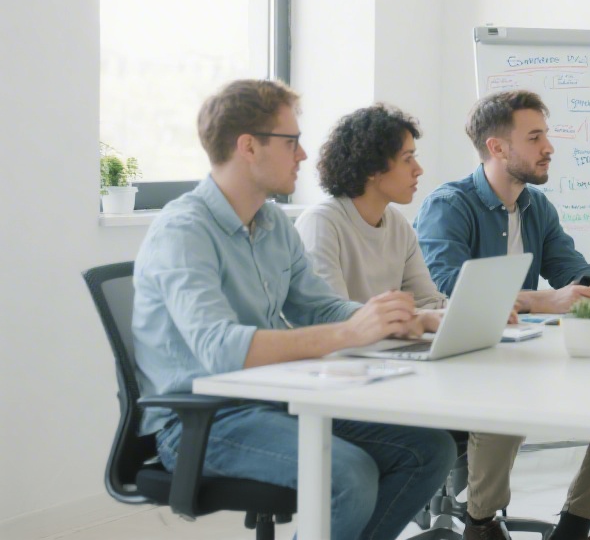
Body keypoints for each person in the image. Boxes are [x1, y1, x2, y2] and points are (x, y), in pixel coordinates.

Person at [131, 80, 456, 540]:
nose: (302, 155)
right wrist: (350, 334)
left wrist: (404, 319)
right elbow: (221, 349)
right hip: (202, 422)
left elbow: (317, 306)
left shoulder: (272, 225)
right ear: (248, 147)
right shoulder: (183, 231)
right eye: (292, 142)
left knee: (429, 450)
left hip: (271, 400)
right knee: (349, 475)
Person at [415, 89, 590, 540]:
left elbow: (568, 265)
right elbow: (446, 290)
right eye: (534, 137)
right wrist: (539, 301)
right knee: (503, 397)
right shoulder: (448, 206)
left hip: (517, 356)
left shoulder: (535, 205)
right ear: (497, 147)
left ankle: (575, 525)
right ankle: (481, 523)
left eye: (545, 135)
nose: (548, 147)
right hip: (457, 368)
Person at [294, 104, 519, 326]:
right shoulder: (321, 223)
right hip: (340, 357)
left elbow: (429, 303)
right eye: (407, 158)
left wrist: (476, 313)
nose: (418, 169)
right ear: (373, 167)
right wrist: (425, 318)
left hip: (385, 352)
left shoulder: (397, 223)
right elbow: (333, 315)